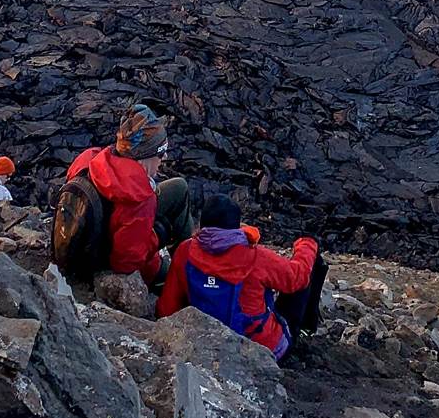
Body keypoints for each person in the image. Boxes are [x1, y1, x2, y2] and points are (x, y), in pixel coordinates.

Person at [158, 192, 324, 361]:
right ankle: (306, 329)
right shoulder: (257, 256)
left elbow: (167, 308)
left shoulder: (185, 251)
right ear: (236, 225)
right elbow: (298, 277)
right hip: (261, 352)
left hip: (206, 344)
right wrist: (307, 244)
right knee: (303, 271)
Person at [55, 102, 195, 286]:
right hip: (100, 263)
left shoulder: (89, 158)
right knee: (167, 273)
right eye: (161, 153)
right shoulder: (138, 198)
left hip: (78, 245)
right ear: (145, 156)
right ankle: (189, 271)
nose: (165, 158)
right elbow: (127, 263)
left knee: (179, 187)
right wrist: (157, 234)